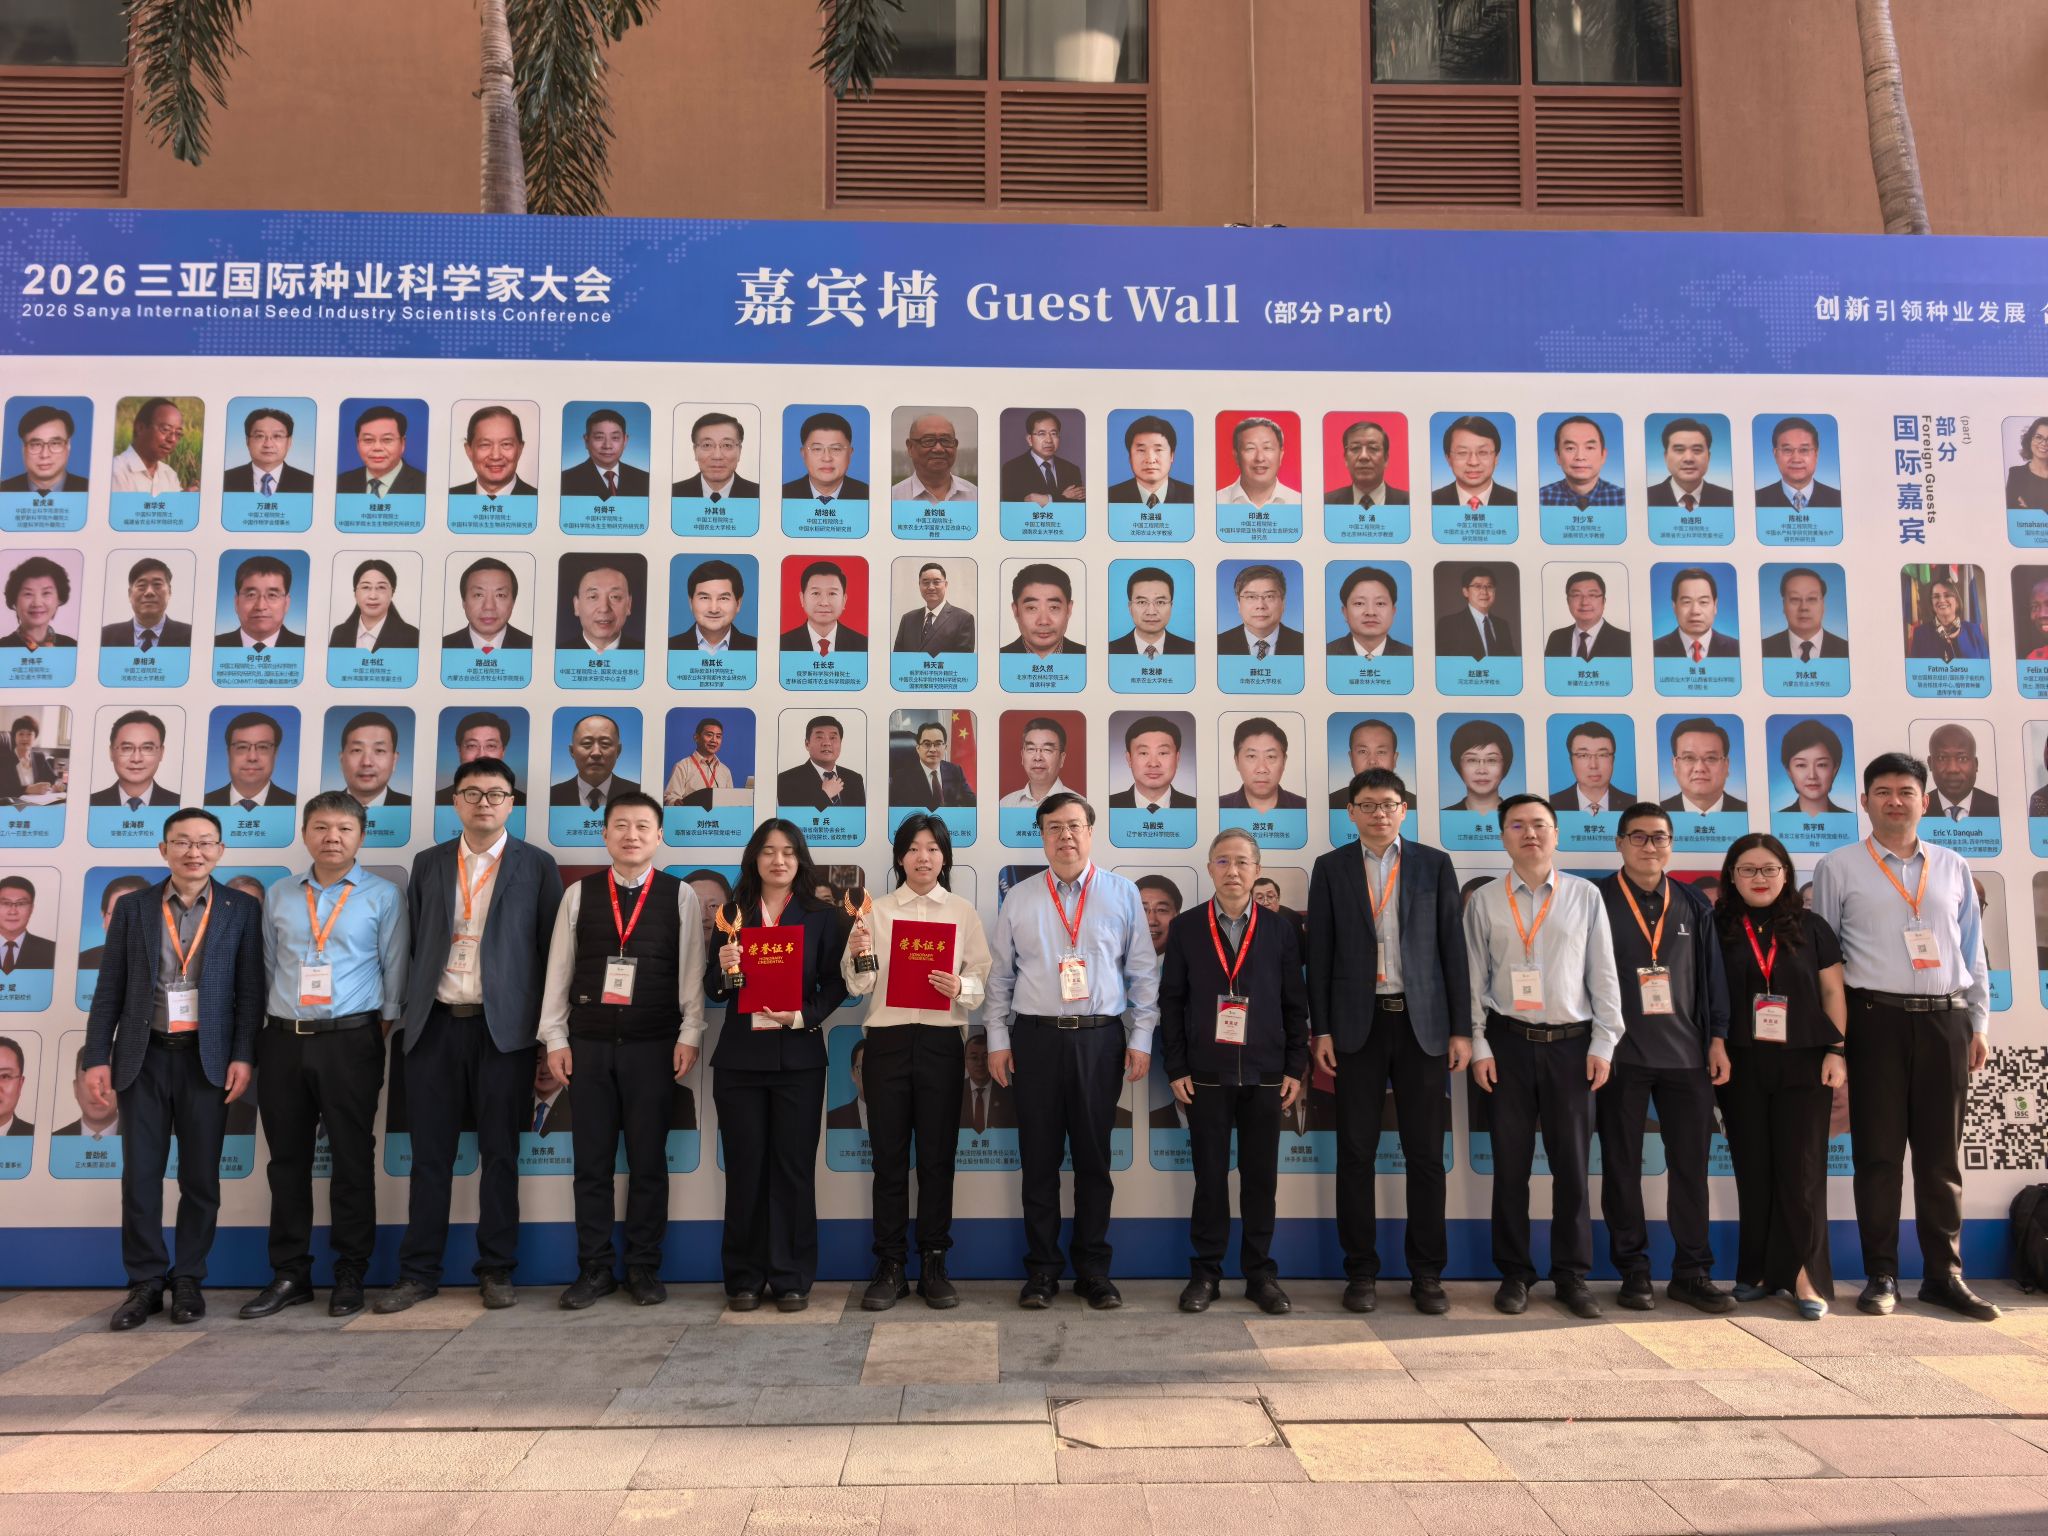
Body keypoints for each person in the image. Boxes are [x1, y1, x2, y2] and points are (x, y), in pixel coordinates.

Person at [1811, 751, 1998, 1321]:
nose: (1895, 801)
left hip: (1946, 1020)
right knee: (1878, 1156)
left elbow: (1973, 952)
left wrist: (1979, 1022)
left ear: (1925, 800)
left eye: (1906, 791)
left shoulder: (1953, 865)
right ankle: (1882, 1274)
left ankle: (1945, 1276)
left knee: (1941, 1158)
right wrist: (1835, 1040)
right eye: (1883, 791)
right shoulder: (1838, 866)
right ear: (1865, 801)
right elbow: (1825, 961)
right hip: (1875, 1021)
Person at [83, 808, 262, 1329]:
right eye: (182, 842)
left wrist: (243, 1054)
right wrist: (96, 1057)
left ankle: (188, 1279)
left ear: (220, 851)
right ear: (163, 850)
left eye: (205, 842)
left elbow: (250, 990)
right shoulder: (135, 908)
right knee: (140, 1176)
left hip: (207, 1060)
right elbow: (109, 988)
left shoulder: (241, 909)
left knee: (200, 1178)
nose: (193, 852)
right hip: (144, 1057)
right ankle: (144, 1282)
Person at [985, 793, 1159, 1308]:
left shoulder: (1122, 893)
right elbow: (1000, 978)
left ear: (1090, 832)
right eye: (1054, 827)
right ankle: (1042, 1272)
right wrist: (997, 1039)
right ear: (1041, 835)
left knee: (1093, 1160)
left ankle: (1093, 1271)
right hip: (1035, 1038)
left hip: (1099, 1039)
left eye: (1075, 825)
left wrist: (1140, 1038)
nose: (1065, 836)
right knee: (1038, 1160)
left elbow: (1143, 974)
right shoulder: (1019, 898)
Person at [1308, 767, 1470, 1314]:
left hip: (1423, 1026)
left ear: (1404, 809)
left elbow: (1452, 950)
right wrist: (1321, 1029)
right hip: (1358, 1027)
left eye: (1389, 804)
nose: (1379, 813)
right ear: (1350, 812)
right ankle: (1361, 1271)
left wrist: (1460, 1028)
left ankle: (1427, 1273)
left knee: (1425, 1154)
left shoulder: (1433, 864)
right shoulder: (1330, 868)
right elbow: (1320, 955)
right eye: (1368, 805)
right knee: (1355, 1153)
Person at [242, 792, 407, 1321]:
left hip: (351, 1041)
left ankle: (350, 1273)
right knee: (286, 1162)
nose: (332, 837)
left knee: (352, 1160)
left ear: (361, 835)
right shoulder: (280, 894)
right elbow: (269, 967)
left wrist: (368, 1030)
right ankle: (290, 1274)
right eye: (321, 827)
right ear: (305, 833)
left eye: (344, 828)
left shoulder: (383, 895)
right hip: (284, 1040)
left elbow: (394, 972)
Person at [538, 791, 703, 1308]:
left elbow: (691, 971)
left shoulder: (679, 895)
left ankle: (643, 1268)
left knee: (649, 1163)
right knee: (591, 1164)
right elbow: (559, 971)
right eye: (622, 825)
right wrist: (555, 1037)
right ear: (605, 833)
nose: (632, 835)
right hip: (587, 1046)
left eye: (643, 826)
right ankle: (594, 1269)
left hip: (653, 1046)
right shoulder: (579, 894)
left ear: (659, 836)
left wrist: (690, 1033)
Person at [1464, 794, 1625, 1319]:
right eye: (1517, 825)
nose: (1529, 833)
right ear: (1502, 836)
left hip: (1573, 1047)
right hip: (1507, 1045)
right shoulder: (1485, 901)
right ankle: (1515, 1273)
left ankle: (1572, 1275)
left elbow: (1604, 974)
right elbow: (1473, 979)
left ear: (1556, 834)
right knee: (1510, 1167)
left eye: (1539, 825)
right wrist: (1480, 1044)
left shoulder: (1585, 895)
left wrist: (1604, 1042)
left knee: (1572, 1167)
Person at [844, 814, 993, 1310]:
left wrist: (961, 986)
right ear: (900, 857)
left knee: (936, 1158)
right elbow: (859, 985)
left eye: (932, 848)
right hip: (886, 1042)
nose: (923, 857)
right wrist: (859, 953)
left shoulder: (962, 912)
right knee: (888, 1159)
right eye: (913, 848)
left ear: (944, 857)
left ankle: (933, 1261)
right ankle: (889, 1264)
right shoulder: (876, 912)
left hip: (941, 1042)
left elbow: (980, 980)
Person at [1162, 829, 1310, 1315]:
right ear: (1210, 868)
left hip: (1267, 1074)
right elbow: (1172, 1002)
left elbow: (1295, 1004)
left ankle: (1260, 1274)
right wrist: (1177, 1065)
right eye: (1223, 861)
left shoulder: (1280, 930)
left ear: (1257, 870)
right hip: (1205, 1074)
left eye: (1243, 862)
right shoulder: (1187, 927)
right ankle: (1205, 1274)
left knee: (1260, 1179)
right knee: (1209, 1179)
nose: (1233, 870)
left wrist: (1294, 1066)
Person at [1594, 804, 1733, 1313]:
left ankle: (1692, 1272)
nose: (1649, 846)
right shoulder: (1596, 899)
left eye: (1659, 837)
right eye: (1638, 836)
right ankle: (1633, 1271)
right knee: (1621, 1167)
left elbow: (1713, 976)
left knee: (1690, 1169)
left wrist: (1717, 1039)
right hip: (1619, 1057)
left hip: (1686, 1057)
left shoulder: (1693, 902)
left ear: (1671, 844)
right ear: (1619, 842)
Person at [707, 819, 849, 1310]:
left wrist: (803, 1015)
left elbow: (837, 984)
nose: (779, 860)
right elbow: (713, 989)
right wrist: (724, 967)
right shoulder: (732, 914)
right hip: (740, 1062)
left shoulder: (822, 916)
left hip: (799, 1060)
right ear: (754, 858)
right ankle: (744, 1278)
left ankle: (791, 1277)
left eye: (788, 851)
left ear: (800, 859)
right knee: (745, 1169)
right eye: (768, 851)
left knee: (792, 1170)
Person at [1714, 832, 1846, 1321]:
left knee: (1803, 1170)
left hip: (1805, 1061)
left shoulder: (1812, 927)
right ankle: (1758, 1272)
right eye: (1748, 869)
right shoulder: (1716, 927)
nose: (1759, 878)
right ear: (1732, 876)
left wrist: (1837, 1050)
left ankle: (1805, 1275)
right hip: (1739, 1063)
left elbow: (1833, 993)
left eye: (1769, 869)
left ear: (1785, 874)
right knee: (1753, 1169)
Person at [432, 712, 527, 807]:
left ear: (503, 751)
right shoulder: (439, 799)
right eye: (472, 746)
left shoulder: (523, 801)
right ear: (459, 750)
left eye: (491, 746)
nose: (481, 755)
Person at [89, 709, 178, 810]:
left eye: (147, 748)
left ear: (161, 753)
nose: (136, 759)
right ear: (111, 752)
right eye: (127, 748)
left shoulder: (179, 804)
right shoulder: (90, 804)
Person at [204, 711, 295, 809]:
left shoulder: (294, 803)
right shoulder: (205, 802)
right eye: (242, 747)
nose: (252, 757)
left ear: (275, 753)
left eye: (263, 747)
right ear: (228, 753)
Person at [213, 554, 304, 650]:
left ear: (286, 603)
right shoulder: (213, 645)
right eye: (251, 595)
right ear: (237, 602)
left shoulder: (306, 646)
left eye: (272, 595)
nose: (261, 606)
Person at [549, 713, 640, 810]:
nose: (596, 753)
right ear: (572, 751)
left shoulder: (638, 794)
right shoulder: (551, 796)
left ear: (618, 751)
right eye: (587, 743)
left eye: (605, 743)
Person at [442, 557, 532, 652]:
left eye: (500, 595)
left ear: (513, 602)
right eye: (478, 595)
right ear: (464, 601)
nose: (489, 607)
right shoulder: (441, 648)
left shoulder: (534, 647)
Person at [776, 715, 866, 809]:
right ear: (807, 744)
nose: (827, 743)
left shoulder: (855, 779)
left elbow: (859, 817)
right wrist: (826, 795)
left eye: (833, 737)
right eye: (819, 737)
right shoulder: (786, 780)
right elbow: (792, 817)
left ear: (840, 743)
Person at [328, 559, 420, 651]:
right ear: (355, 592)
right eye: (366, 587)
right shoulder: (339, 634)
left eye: (381, 587)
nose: (373, 596)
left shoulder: (411, 636)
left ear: (392, 592)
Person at [98, 558, 189, 650]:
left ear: (169, 591)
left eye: (157, 584)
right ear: (129, 594)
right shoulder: (105, 636)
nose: (149, 592)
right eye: (141, 586)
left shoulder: (190, 636)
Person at [667, 558, 754, 654]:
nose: (713, 609)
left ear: (738, 604)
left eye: (723, 598)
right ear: (691, 602)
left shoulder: (757, 648)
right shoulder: (668, 648)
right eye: (705, 598)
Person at [779, 559, 867, 654]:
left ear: (844, 600)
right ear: (802, 599)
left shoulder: (863, 645)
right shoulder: (782, 644)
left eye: (832, 593)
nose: (824, 602)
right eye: (816, 593)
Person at [1109, 715, 1196, 811]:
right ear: (1129, 759)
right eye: (1143, 753)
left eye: (1163, 753)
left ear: (1177, 758)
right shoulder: (1108, 806)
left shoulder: (1196, 807)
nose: (1153, 764)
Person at [1326, 718, 1415, 812]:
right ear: (1351, 758)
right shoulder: (1331, 802)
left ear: (1394, 759)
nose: (1372, 761)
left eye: (1381, 752)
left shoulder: (1415, 804)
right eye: (1363, 751)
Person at [1220, 717, 1306, 812]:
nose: (1262, 769)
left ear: (1284, 761)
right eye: (1252, 756)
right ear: (1237, 761)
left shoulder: (1305, 808)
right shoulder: (1217, 809)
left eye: (1271, 756)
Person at [1662, 718, 1747, 814]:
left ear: (1726, 765)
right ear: (1675, 765)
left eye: (1711, 758)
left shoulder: (1748, 811)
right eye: (1689, 757)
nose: (1700, 768)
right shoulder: (1658, 813)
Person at [1543, 570, 1632, 660]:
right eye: (1576, 595)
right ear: (1568, 601)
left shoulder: (1625, 640)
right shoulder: (1556, 638)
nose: (1584, 602)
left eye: (1592, 595)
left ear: (1603, 601)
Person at [1216, 564, 1303, 657]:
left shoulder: (1303, 644)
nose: (1260, 605)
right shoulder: (1217, 644)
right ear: (1239, 604)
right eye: (1251, 597)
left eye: (1269, 596)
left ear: (1283, 603)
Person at [1538, 415, 1624, 509]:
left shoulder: (1623, 498)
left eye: (1590, 448)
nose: (1580, 457)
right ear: (1557, 456)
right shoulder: (1540, 498)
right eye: (1570, 448)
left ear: (1603, 455)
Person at [781, 410, 868, 502]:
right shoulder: (783, 495)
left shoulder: (869, 495)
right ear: (803, 453)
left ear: (850, 453)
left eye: (836, 449)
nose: (827, 458)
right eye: (817, 449)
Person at [1761, 567, 1846, 660]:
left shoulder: (1847, 650)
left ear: (1823, 604)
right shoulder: (1762, 649)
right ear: (1784, 605)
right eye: (1795, 599)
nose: (1804, 607)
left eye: (1811, 599)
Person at [999, 410, 1084, 503]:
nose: (1049, 440)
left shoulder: (1072, 470)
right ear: (1030, 439)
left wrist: (1047, 499)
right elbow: (1011, 507)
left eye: (1053, 434)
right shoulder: (1011, 469)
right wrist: (1063, 498)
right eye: (1042, 434)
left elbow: (1079, 506)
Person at [1653, 567, 1739, 660]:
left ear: (1715, 606)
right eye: (1687, 602)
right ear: (1674, 607)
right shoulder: (1654, 649)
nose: (1695, 611)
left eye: (1703, 602)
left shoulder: (1737, 649)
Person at [1107, 414, 1193, 505]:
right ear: (1130, 457)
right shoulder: (1110, 497)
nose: (1150, 460)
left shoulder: (1192, 496)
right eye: (1141, 450)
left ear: (1171, 455)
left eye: (1158, 450)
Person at [222, 407, 312, 494]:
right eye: (260, 436)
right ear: (247, 440)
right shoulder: (225, 479)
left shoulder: (309, 483)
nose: (268, 444)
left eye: (277, 436)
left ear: (289, 442)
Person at [1550, 722, 1634, 815]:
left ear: (1613, 760)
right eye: (1583, 755)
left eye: (1602, 755)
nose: (1593, 765)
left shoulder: (1633, 804)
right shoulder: (1551, 805)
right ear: (1571, 761)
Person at [1108, 566, 1194, 657]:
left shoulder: (1191, 650)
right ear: (1130, 607)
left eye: (1160, 602)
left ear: (1171, 606)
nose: (1151, 612)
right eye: (1142, 602)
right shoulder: (1109, 650)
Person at [561, 408, 648, 498]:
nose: (607, 446)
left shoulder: (644, 479)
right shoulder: (565, 480)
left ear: (625, 440)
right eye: (599, 437)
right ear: (586, 441)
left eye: (615, 438)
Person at [338, 404, 424, 496]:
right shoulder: (341, 483)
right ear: (357, 443)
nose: (377, 448)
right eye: (368, 440)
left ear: (402, 443)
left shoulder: (424, 484)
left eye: (387, 439)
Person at [1001, 563, 1085, 657]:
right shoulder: (997, 658)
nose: (1044, 621)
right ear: (1016, 611)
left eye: (1053, 607)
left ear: (1068, 610)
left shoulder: (1088, 657)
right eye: (1032, 608)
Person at [1328, 566, 1413, 659]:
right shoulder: (1325, 654)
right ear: (1345, 612)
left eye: (1380, 603)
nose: (1370, 612)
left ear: (1393, 611)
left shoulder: (1411, 656)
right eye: (1359, 603)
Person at [1647, 416, 1732, 507]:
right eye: (1679, 450)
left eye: (1697, 450)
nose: (1688, 458)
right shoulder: (1646, 497)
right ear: (1665, 456)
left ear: (1709, 457)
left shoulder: (1729, 499)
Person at [1434, 567, 1517, 659]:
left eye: (1489, 586)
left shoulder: (1502, 625)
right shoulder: (1448, 624)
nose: (1484, 592)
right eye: (1477, 586)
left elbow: (1510, 662)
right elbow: (1443, 664)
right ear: (1465, 592)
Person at [892, 562, 975, 654]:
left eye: (936, 582)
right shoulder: (907, 619)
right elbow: (898, 658)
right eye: (926, 582)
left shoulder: (963, 619)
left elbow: (963, 660)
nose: (931, 587)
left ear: (945, 584)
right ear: (919, 585)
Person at [1755, 417, 1840, 507]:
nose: (1796, 459)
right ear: (1775, 454)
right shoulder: (1756, 499)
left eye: (1804, 450)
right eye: (1787, 450)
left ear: (1816, 453)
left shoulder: (1838, 499)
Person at [673, 411, 759, 500]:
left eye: (727, 445)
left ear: (739, 451)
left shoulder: (759, 494)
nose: (717, 456)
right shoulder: (674, 493)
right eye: (707, 445)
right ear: (695, 451)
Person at [1431, 415, 1514, 506]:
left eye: (1482, 452)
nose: (1473, 462)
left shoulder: (1515, 501)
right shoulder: (1432, 501)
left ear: (1496, 457)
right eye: (1462, 453)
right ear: (1448, 458)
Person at [110, 398, 189, 493]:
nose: (172, 439)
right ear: (140, 428)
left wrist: (184, 498)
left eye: (178, 433)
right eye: (165, 429)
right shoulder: (116, 471)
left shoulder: (169, 474)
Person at [891, 412, 975, 501]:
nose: (939, 449)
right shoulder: (893, 498)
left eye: (945, 440)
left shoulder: (975, 496)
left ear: (955, 446)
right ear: (910, 447)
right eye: (928, 440)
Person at [3, 405, 86, 493]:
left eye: (54, 443)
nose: (44, 455)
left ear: (68, 445)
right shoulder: (4, 490)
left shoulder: (90, 489)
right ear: (23, 448)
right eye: (36, 444)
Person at [334, 711, 408, 811]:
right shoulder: (321, 809)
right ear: (342, 760)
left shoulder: (413, 807)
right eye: (357, 750)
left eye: (379, 750)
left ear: (394, 760)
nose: (366, 762)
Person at [890, 720, 972, 810]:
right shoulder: (901, 777)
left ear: (945, 748)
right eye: (927, 744)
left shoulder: (955, 771)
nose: (932, 749)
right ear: (918, 748)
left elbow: (971, 802)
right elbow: (896, 811)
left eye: (938, 744)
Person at [1217, 416, 1298, 507]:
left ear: (1280, 455)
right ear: (1236, 456)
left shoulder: (1298, 502)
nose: (1259, 458)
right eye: (1250, 448)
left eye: (1267, 448)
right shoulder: (1217, 502)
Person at [998, 717, 1075, 811]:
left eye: (1047, 749)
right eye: (1031, 749)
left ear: (1062, 759)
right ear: (1022, 756)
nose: (1038, 757)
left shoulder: (1079, 805)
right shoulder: (1005, 805)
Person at [1907, 572, 1988, 661]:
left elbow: (1985, 667)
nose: (1941, 600)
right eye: (1936, 596)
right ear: (1932, 604)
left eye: (1947, 595)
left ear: (1957, 602)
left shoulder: (1974, 631)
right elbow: (1915, 669)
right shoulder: (1920, 634)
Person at [1327, 418, 1407, 506]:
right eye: (1355, 448)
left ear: (1386, 459)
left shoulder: (1409, 503)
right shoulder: (1327, 503)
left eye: (1373, 448)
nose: (1363, 456)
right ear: (1346, 459)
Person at [1925, 723, 2000, 818]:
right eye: (1942, 758)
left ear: (1976, 764)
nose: (1952, 769)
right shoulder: (1915, 809)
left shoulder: (1998, 808)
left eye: (1962, 758)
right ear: (1930, 763)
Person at [1, 555, 74, 650]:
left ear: (59, 598)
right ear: (14, 600)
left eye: (46, 593)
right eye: (28, 594)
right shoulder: (2, 648)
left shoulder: (72, 646)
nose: (37, 603)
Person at [1443, 719, 1513, 814]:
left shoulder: (1521, 817)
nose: (1482, 770)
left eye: (1491, 760)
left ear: (1505, 765)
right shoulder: (1442, 816)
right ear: (1458, 765)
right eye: (1472, 760)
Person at [565, 563, 637, 654]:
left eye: (615, 597)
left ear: (629, 605)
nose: (604, 608)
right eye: (593, 597)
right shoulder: (560, 653)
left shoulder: (645, 653)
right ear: (576, 605)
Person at [664, 717, 736, 806]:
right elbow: (670, 797)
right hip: (690, 814)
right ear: (696, 737)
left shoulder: (725, 770)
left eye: (718, 736)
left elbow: (731, 801)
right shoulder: (682, 766)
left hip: (718, 815)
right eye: (709, 735)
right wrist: (675, 802)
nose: (714, 740)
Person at [1779, 721, 1847, 815]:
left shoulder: (1848, 818)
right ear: (1789, 771)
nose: (1812, 776)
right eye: (1801, 765)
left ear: (1834, 769)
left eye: (1821, 765)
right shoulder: (1777, 819)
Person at [1, 714, 62, 801]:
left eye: (29, 734)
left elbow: (53, 779)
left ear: (35, 737)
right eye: (21, 734)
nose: (25, 738)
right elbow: (2, 790)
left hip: (39, 804)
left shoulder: (39, 757)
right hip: (14, 806)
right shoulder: (4, 760)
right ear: (14, 737)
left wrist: (58, 785)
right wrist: (27, 789)